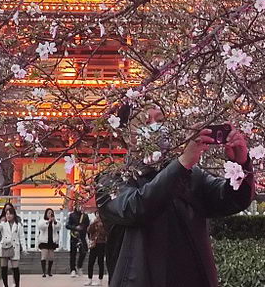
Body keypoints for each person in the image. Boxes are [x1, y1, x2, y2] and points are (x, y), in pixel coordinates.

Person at [97, 113, 255, 287]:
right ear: (127, 134)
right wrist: (181, 164)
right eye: (145, 121)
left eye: (160, 120)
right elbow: (135, 208)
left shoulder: (191, 175)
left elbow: (232, 199)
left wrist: (242, 165)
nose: (155, 127)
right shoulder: (111, 181)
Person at [0, 202, 23, 286]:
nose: (8, 215)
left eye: (10, 213)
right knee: (4, 266)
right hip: (4, 245)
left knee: (15, 267)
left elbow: (21, 236)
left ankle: (16, 284)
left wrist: (24, 248)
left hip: (14, 246)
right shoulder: (3, 222)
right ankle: (5, 284)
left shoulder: (18, 224)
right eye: (6, 212)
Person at [67, 202, 90, 277]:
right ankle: (72, 269)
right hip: (74, 236)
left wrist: (84, 228)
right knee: (73, 253)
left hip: (82, 236)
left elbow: (88, 225)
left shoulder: (85, 216)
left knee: (83, 252)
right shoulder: (72, 215)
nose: (80, 207)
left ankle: (79, 266)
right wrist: (75, 228)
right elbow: (67, 225)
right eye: (78, 205)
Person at [85, 213, 108, 286]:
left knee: (100, 262)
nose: (98, 215)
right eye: (97, 214)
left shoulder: (105, 222)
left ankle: (100, 279)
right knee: (91, 262)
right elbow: (88, 230)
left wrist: (100, 226)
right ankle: (89, 279)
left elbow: (105, 233)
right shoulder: (94, 222)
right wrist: (93, 223)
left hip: (101, 243)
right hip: (94, 243)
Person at [37, 208, 59, 277]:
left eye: (51, 213)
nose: (50, 214)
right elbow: (41, 227)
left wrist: (54, 221)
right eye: (48, 213)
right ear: (46, 214)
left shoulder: (54, 221)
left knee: (51, 257)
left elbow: (58, 227)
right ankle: (44, 272)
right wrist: (48, 221)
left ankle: (49, 271)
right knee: (44, 256)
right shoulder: (42, 221)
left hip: (52, 241)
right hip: (44, 241)